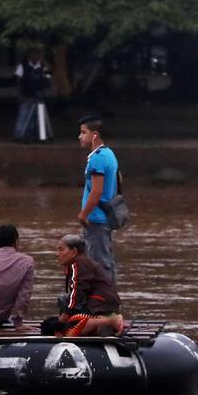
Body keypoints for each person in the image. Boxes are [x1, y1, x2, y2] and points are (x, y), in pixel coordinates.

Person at [51, 234, 124, 337]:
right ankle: (100, 327)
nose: (57, 254)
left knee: (68, 329)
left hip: (99, 303)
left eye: (61, 250)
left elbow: (77, 292)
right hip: (102, 304)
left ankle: (110, 321)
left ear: (74, 251)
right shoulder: (82, 262)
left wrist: (63, 318)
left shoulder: (78, 264)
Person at [76, 113, 119, 283]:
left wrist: (84, 214)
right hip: (105, 215)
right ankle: (109, 298)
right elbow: (118, 180)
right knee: (106, 259)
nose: (80, 136)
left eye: (83, 132)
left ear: (94, 135)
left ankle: (104, 301)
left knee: (98, 261)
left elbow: (96, 191)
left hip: (96, 217)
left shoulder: (97, 159)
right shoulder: (109, 153)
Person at [13, 49, 53, 142]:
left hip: (39, 95)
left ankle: (38, 135)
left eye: (38, 56)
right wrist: (20, 93)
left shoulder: (42, 67)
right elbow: (18, 80)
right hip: (27, 95)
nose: (36, 57)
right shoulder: (23, 66)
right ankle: (20, 134)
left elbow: (48, 75)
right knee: (24, 114)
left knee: (38, 116)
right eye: (34, 55)